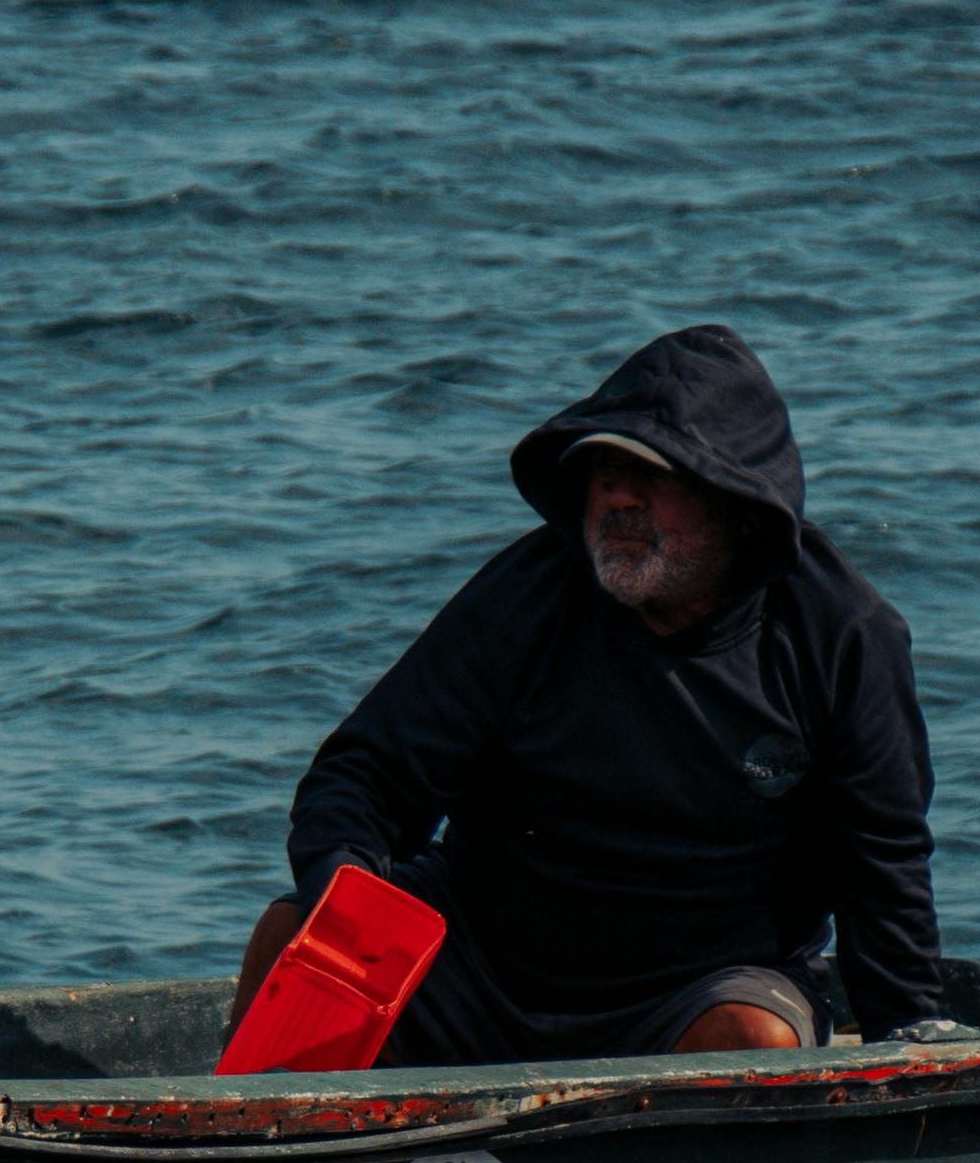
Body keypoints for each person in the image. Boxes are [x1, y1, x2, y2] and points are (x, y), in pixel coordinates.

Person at [261, 324, 941, 1062]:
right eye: (604, 473)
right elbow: (365, 776)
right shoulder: (529, 596)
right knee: (293, 929)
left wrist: (907, 1042)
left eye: (651, 475)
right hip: (482, 971)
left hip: (698, 989)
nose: (618, 497)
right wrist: (348, 893)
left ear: (735, 502)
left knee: (754, 1038)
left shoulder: (843, 633)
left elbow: (883, 867)